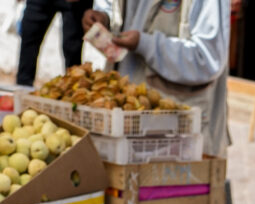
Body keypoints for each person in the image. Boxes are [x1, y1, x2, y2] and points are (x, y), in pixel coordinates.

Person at [82, 0, 230, 157]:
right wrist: (104, 19)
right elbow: (111, 8)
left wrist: (144, 44)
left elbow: (206, 60)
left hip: (180, 141)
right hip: (127, 132)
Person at [17, 0, 88, 88]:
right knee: (29, 44)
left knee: (73, 51)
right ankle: (21, 94)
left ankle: (75, 94)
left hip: (75, 5)